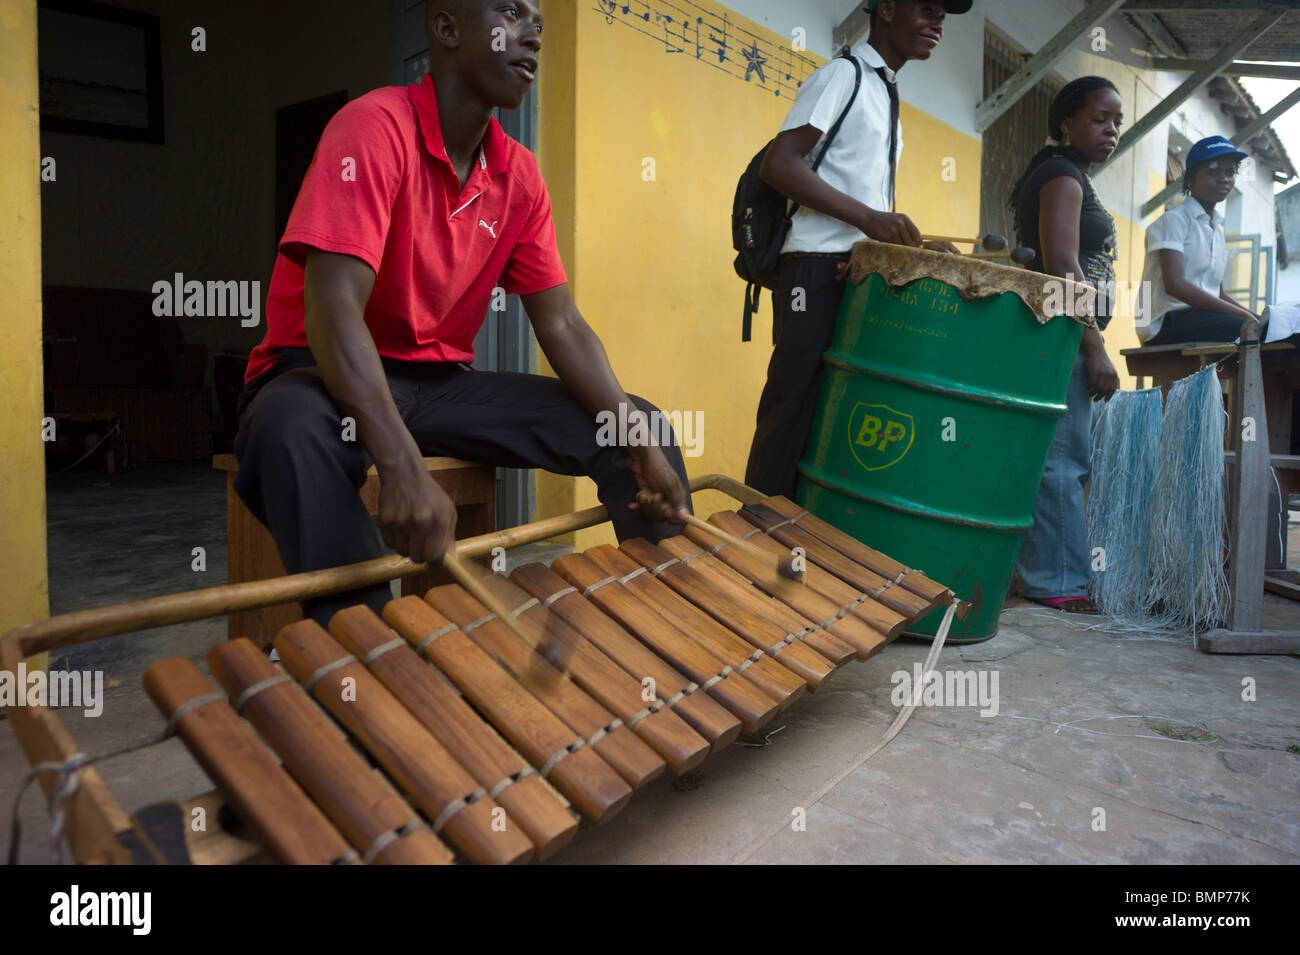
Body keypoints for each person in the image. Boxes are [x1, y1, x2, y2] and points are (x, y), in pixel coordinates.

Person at [235, 0, 690, 628]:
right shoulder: (371, 128)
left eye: (540, 23)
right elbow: (333, 307)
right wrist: (398, 462)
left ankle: (669, 640)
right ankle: (366, 661)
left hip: (435, 386)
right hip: (319, 375)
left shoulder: (520, 176)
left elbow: (560, 323)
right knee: (288, 429)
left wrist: (637, 436)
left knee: (636, 425)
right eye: (511, 13)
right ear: (446, 27)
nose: (533, 33)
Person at [744, 0, 970, 499]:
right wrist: (870, 220)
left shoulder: (885, 90)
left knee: (834, 410)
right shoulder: (842, 76)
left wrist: (910, 244)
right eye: (927, 9)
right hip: (813, 270)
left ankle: (805, 536)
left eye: (944, 17)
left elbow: (863, 203)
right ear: (886, 9)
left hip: (855, 269)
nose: (937, 23)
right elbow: (780, 165)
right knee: (792, 406)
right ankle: (758, 533)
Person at [1010, 76, 1123, 614]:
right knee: (1062, 458)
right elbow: (1062, 268)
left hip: (1057, 335)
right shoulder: (1062, 176)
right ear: (1066, 123)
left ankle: (1046, 573)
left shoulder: (1064, 172)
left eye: (1117, 122)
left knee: (1056, 454)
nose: (1111, 131)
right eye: (1099, 119)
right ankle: (1057, 582)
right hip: (1062, 337)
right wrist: (1093, 346)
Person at [1136, 135, 1261, 345]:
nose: (1224, 179)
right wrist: (1245, 318)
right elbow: (1175, 285)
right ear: (1190, 178)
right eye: (1213, 171)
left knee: (1268, 331)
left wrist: (1256, 317)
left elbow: (1217, 293)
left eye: (1230, 172)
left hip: (1202, 318)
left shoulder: (1217, 231)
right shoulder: (1174, 220)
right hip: (1166, 323)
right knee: (1245, 330)